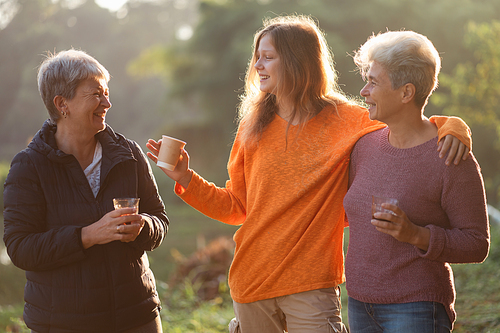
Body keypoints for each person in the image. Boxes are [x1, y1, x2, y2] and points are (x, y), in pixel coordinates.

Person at [146, 16, 470, 333]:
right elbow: (236, 206)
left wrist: (453, 126)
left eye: (268, 57)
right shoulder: (251, 127)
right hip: (251, 279)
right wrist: (185, 177)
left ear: (299, 63)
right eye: (256, 57)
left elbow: (411, 120)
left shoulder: (349, 120)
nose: (257, 65)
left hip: (311, 284)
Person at [3, 49, 169, 332]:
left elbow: (160, 220)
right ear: (62, 103)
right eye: (96, 94)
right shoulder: (28, 166)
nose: (107, 103)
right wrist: (87, 236)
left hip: (137, 317)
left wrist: (143, 227)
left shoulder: (129, 154)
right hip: (63, 323)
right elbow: (21, 248)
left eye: (106, 93)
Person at [343, 30, 490, 332]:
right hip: (359, 304)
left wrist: (416, 235)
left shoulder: (450, 155)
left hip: (416, 307)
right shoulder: (363, 145)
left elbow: (477, 244)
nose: (363, 91)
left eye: (373, 82)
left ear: (406, 93)